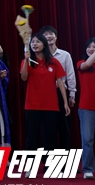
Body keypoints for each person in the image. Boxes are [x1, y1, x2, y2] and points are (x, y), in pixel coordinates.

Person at [20, 33, 70, 161]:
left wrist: (65, 102)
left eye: (38, 42)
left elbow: (60, 82)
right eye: (32, 42)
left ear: (44, 44)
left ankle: (50, 165)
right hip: (32, 105)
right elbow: (24, 77)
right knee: (31, 137)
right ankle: (30, 165)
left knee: (50, 138)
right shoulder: (27, 61)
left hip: (51, 106)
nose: (34, 44)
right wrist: (26, 60)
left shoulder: (53, 62)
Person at [39, 26, 76, 150]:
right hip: (44, 95)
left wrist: (72, 95)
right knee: (47, 128)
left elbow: (70, 75)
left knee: (64, 126)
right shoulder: (39, 56)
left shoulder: (65, 55)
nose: (49, 36)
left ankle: (66, 158)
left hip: (61, 93)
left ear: (56, 37)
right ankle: (48, 158)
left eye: (51, 34)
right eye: (45, 34)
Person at [77, 37, 95, 179]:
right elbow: (87, 64)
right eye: (89, 47)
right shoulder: (81, 63)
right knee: (87, 139)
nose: (91, 49)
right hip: (86, 107)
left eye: (94, 46)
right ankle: (88, 169)